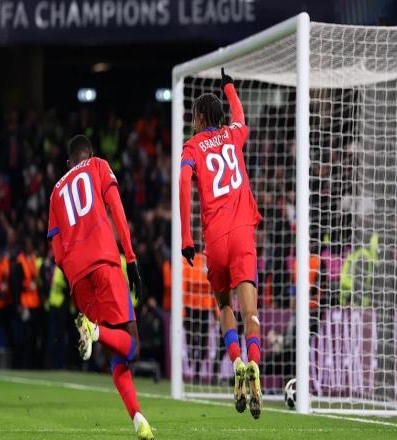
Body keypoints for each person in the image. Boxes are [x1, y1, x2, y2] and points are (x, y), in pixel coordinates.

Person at [47, 135, 154, 440]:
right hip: (105, 262)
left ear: (69, 162)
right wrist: (130, 258)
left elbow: (57, 253)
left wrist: (73, 273)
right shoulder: (98, 166)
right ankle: (94, 331)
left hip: (77, 277)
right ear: (90, 153)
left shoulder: (55, 192)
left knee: (115, 354)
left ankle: (139, 420)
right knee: (132, 346)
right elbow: (117, 209)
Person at [179, 69, 263, 418]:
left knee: (224, 307)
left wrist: (186, 236)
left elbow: (183, 182)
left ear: (200, 118)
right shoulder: (233, 134)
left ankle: (237, 362)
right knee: (251, 313)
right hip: (243, 232)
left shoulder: (192, 146)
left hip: (215, 238)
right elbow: (241, 116)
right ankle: (254, 365)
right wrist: (230, 87)